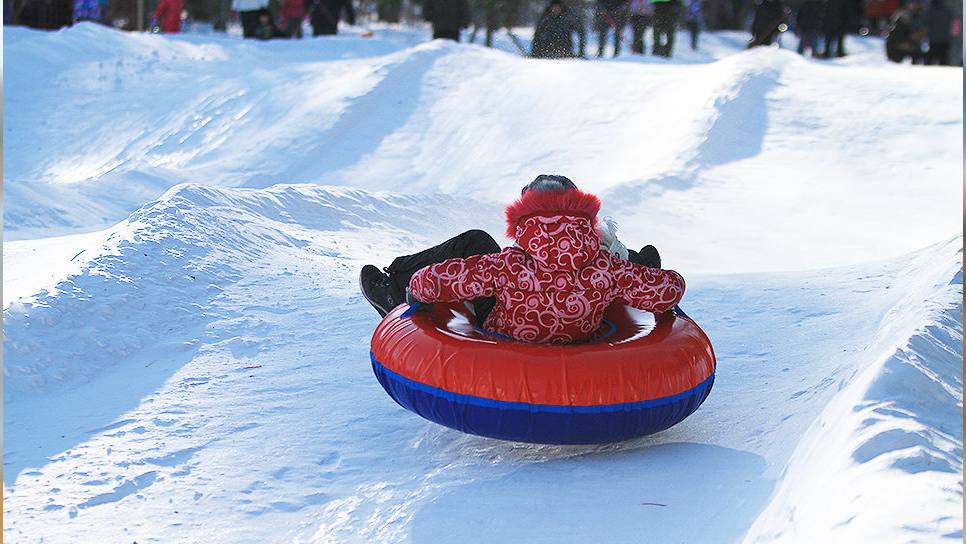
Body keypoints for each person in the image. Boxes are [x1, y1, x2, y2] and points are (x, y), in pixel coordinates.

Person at [359, 175, 684, 345]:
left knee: (475, 240)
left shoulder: (507, 264)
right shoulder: (605, 265)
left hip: (509, 336)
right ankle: (641, 265)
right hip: (580, 332)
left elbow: (437, 282)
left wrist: (415, 288)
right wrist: (643, 277)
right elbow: (670, 290)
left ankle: (393, 285)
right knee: (618, 276)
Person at [924, 0, 951, 65]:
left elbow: (926, 23)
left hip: (934, 40)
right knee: (943, 61)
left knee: (929, 61)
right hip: (944, 39)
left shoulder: (930, 10)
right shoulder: (948, 10)